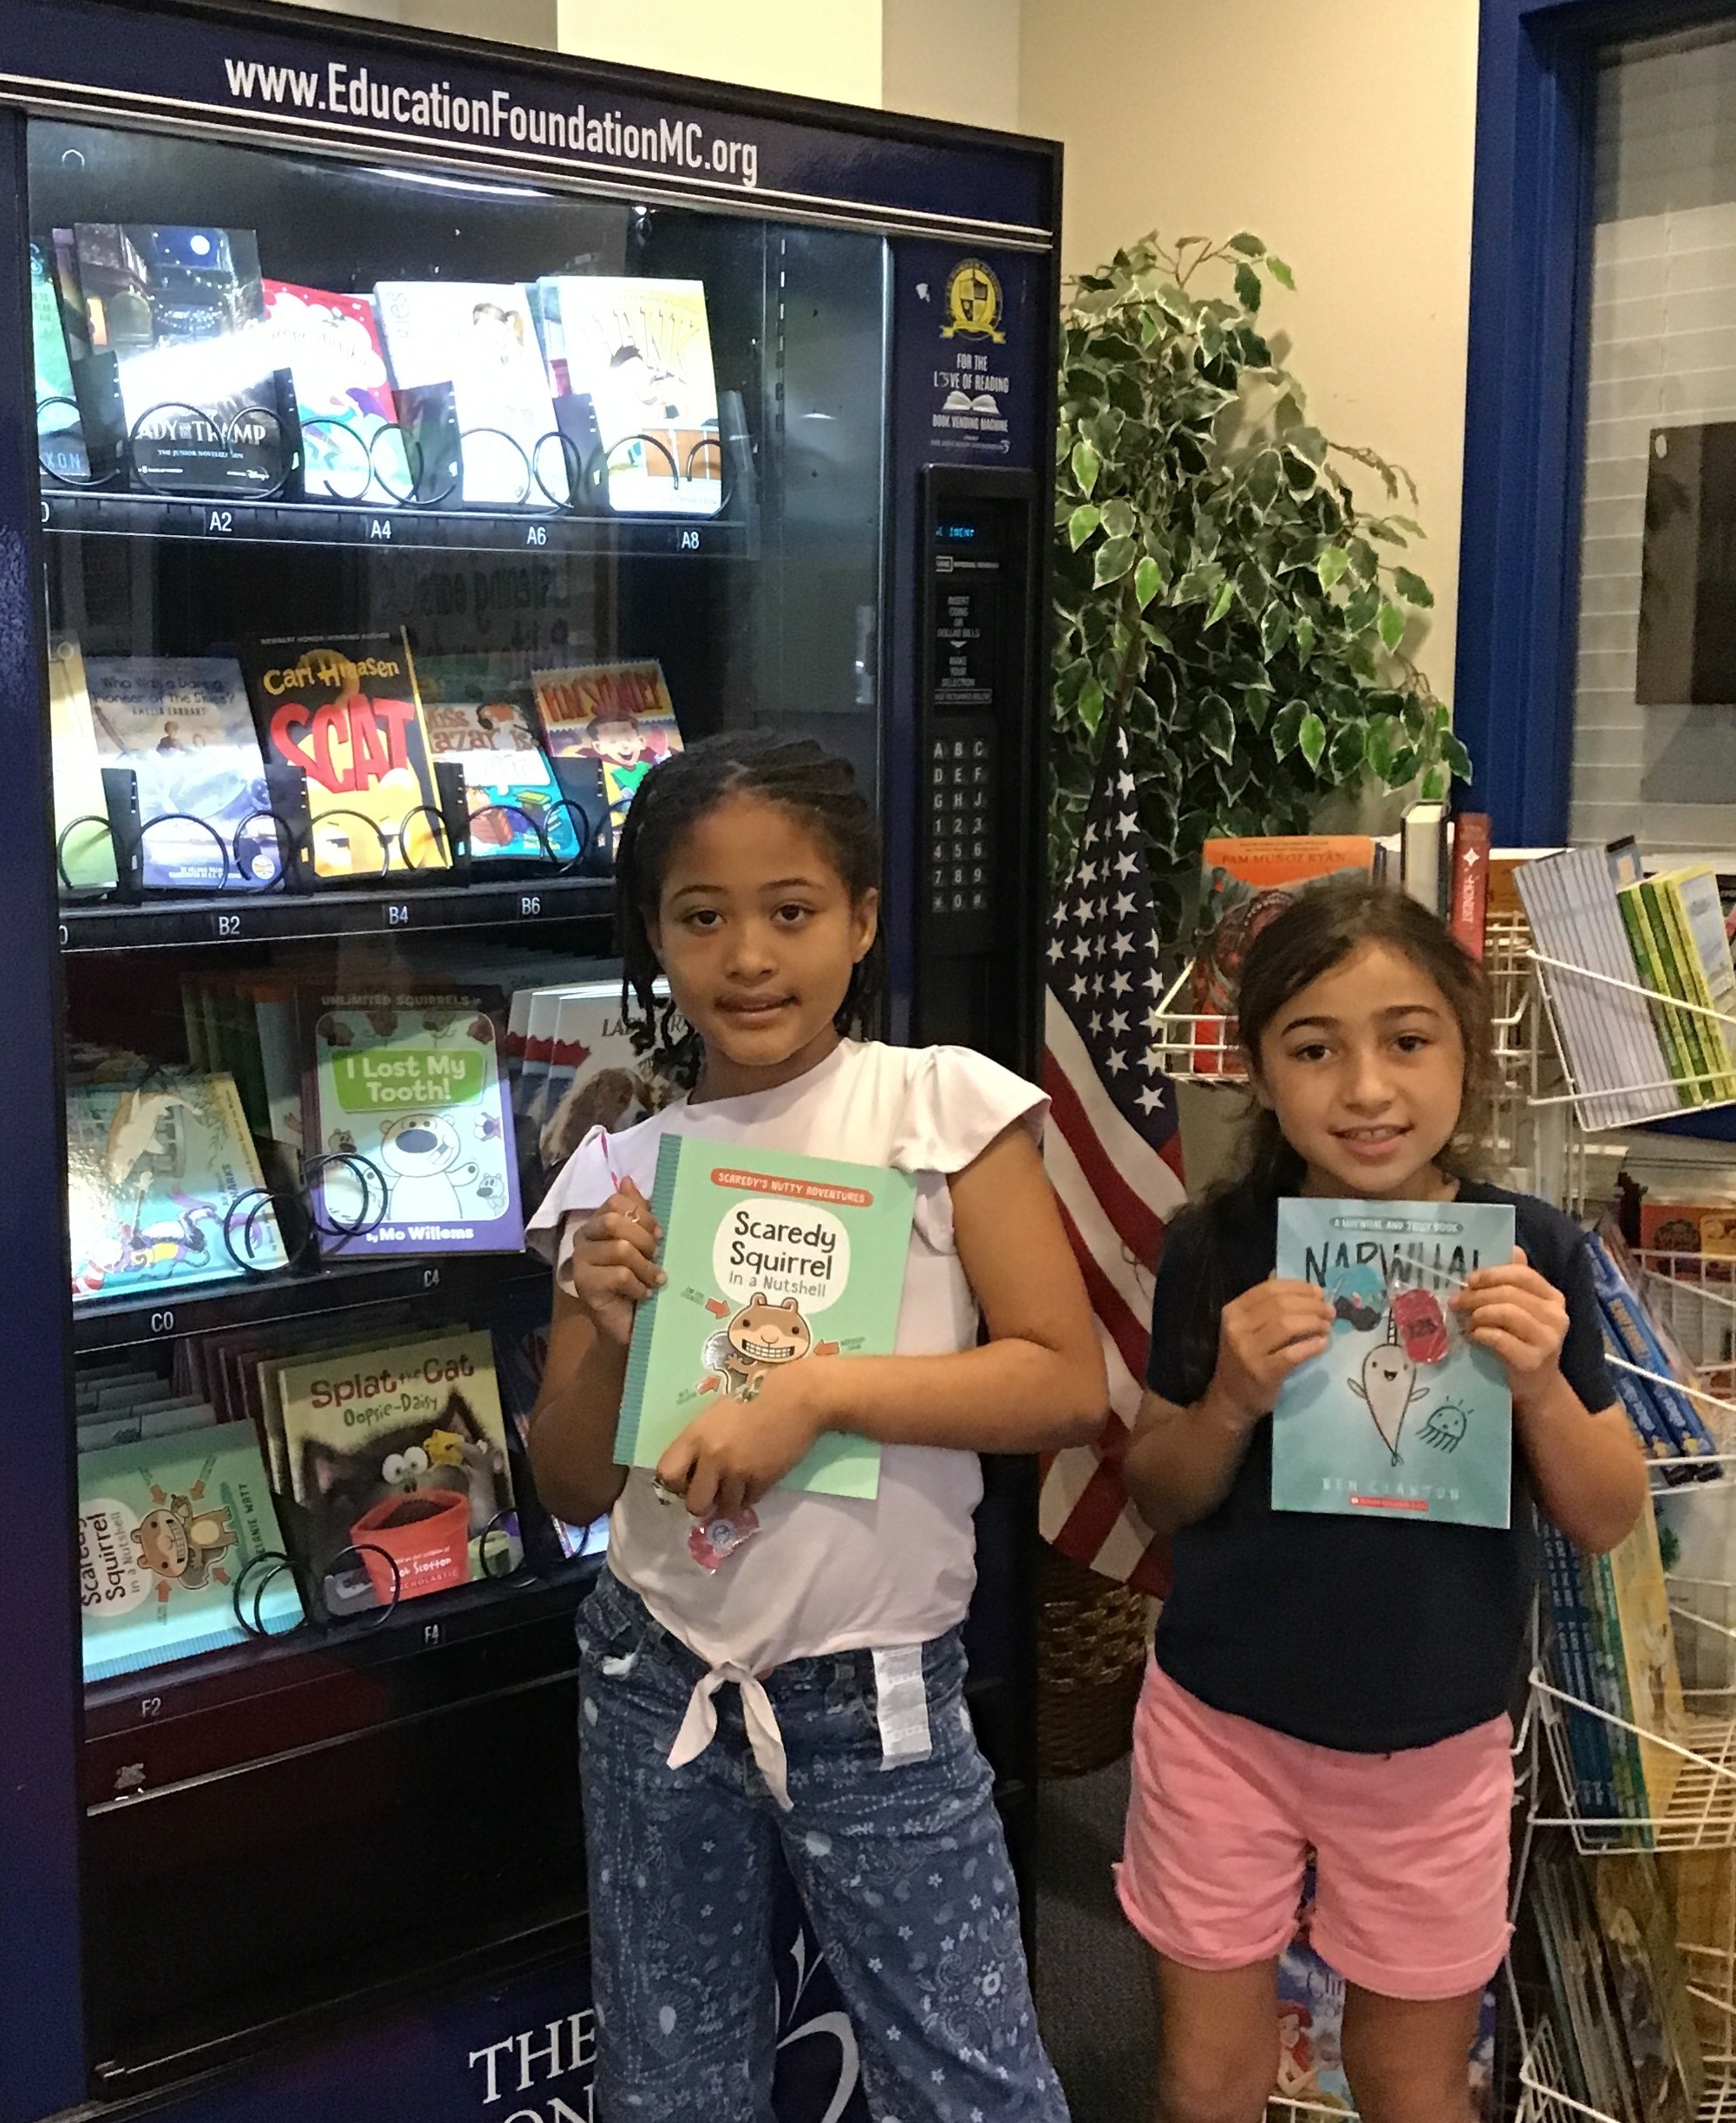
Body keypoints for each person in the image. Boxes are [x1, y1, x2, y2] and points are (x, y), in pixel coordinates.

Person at [525, 730, 1105, 2123]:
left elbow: (1065, 1381)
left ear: (859, 920)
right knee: (672, 2087)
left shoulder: (937, 1109)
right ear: (655, 937)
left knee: (969, 2086)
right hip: (656, 1677)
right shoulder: (625, 1168)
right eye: (700, 916)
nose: (747, 956)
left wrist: (820, 1392)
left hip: (874, 1700)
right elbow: (567, 1481)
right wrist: (606, 1338)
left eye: (790, 912)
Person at [1119, 880, 1646, 2123]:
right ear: (1257, 1072)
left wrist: (1538, 1393)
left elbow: (1608, 1510)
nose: (1365, 1090)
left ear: (1469, 1051)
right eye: (1315, 1049)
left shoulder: (1533, 1254)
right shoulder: (1216, 1248)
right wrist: (1231, 1402)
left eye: (1407, 1042)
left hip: (1434, 1736)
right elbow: (1155, 1491)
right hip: (1222, 1725)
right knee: (1207, 2077)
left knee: (1411, 2080)